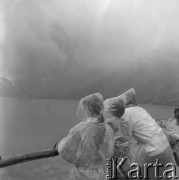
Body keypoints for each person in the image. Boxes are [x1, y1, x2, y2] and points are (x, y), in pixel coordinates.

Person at [103, 88, 177, 180]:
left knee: (151, 175)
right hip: (164, 145)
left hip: (153, 151)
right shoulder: (139, 109)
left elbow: (121, 141)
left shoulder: (126, 114)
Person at [57, 93, 114, 180]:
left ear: (89, 108)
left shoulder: (81, 128)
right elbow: (109, 151)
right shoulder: (107, 128)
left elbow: (64, 150)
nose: (83, 110)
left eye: (84, 107)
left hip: (82, 174)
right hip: (100, 172)